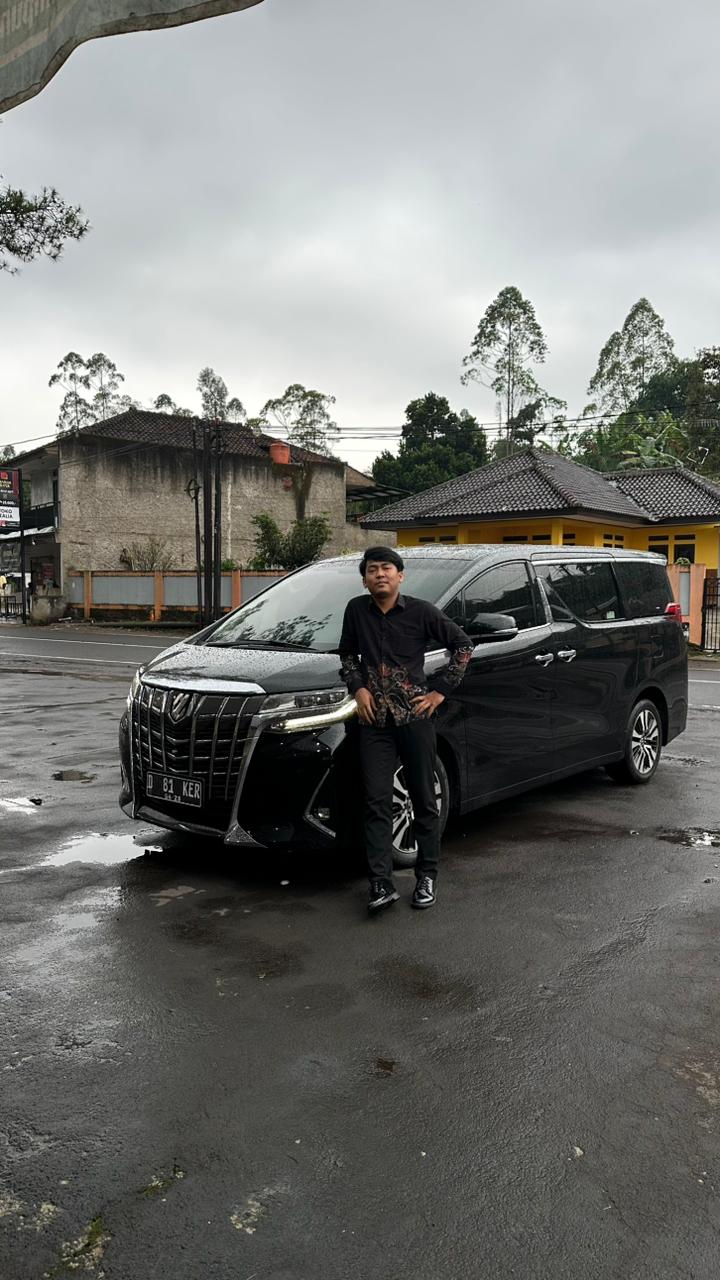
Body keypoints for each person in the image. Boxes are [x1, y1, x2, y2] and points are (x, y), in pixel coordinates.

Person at [338, 546, 473, 914]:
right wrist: (358, 687)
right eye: (372, 570)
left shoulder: (421, 612)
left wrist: (439, 692)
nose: (380, 574)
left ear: (400, 576)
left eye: (387, 568)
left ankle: (426, 876)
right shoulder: (356, 610)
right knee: (376, 802)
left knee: (424, 800)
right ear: (364, 579)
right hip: (374, 723)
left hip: (414, 718)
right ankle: (380, 882)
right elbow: (347, 655)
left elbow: (463, 646)